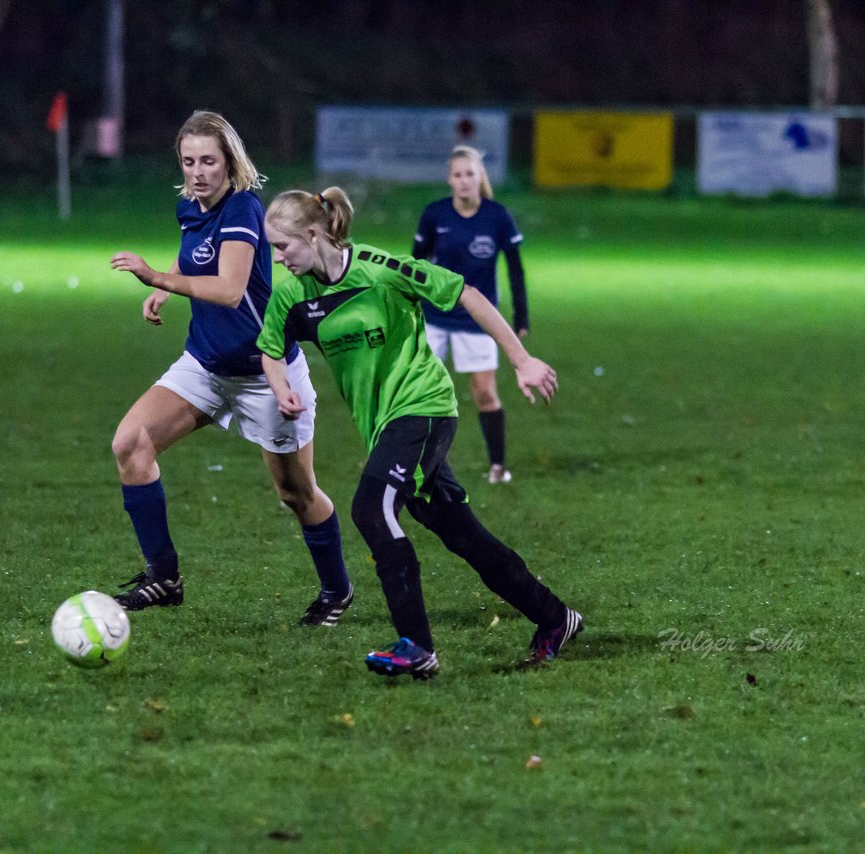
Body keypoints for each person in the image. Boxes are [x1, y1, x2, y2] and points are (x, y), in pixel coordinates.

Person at [256, 187, 583, 679]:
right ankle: (556, 617)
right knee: (463, 536)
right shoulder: (292, 296)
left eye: (283, 247)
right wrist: (281, 389)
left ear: (314, 233)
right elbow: (270, 348)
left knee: (371, 508)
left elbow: (466, 293)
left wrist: (521, 360)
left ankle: (417, 646)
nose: (278, 259)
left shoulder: (381, 269)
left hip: (424, 408)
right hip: (383, 424)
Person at [107, 111, 352, 627]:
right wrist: (165, 286)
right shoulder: (190, 207)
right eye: (189, 161)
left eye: (209, 161)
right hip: (206, 364)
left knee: (296, 493)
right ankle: (164, 577)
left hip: (267, 373)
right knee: (130, 444)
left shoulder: (243, 207)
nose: (198, 172)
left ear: (230, 162)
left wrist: (155, 277)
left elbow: (229, 287)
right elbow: (195, 254)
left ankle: (336, 590)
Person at [412, 145, 528, 485]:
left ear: (480, 178)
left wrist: (521, 316)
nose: (464, 181)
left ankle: (497, 466)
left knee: (484, 393)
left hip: (478, 321)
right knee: (420, 390)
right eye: (458, 175)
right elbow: (414, 266)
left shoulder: (497, 216)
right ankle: (418, 463)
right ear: (450, 179)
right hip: (434, 318)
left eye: (470, 174)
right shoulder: (434, 215)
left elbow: (516, 270)